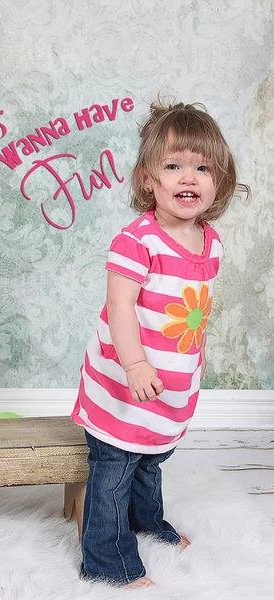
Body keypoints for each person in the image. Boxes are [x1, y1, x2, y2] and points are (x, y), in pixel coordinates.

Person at [71, 98, 250, 588]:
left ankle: (147, 522)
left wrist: (197, 357)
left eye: (201, 167)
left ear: (219, 181)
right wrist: (134, 364)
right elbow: (122, 305)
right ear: (148, 179)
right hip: (124, 383)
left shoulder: (209, 243)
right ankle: (108, 561)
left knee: (152, 459)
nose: (187, 178)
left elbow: (195, 310)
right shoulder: (138, 241)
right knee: (115, 469)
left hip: (170, 385)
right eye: (173, 166)